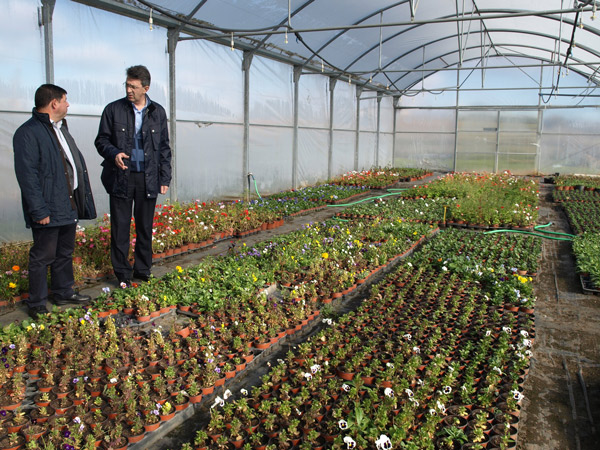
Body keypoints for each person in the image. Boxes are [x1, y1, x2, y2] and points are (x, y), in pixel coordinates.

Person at [13, 84, 96, 318]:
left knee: (64, 252)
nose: (68, 105)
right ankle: (37, 302)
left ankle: (63, 291)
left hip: (66, 204)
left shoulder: (60, 129)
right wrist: (38, 209)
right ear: (54, 103)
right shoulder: (28, 133)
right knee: (42, 256)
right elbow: (27, 175)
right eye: (65, 100)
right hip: (47, 207)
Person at [95, 65, 172, 287]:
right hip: (121, 175)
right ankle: (122, 274)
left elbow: (164, 147)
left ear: (145, 88)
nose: (128, 90)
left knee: (145, 226)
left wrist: (164, 178)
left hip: (148, 177)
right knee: (120, 227)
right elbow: (101, 140)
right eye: (127, 85)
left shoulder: (158, 112)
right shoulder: (113, 110)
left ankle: (142, 269)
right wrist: (114, 153)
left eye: (133, 86)